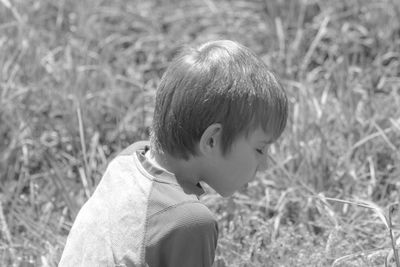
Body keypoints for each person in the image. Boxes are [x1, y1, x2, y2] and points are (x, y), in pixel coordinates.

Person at [59, 40, 288, 267]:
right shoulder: (190, 221)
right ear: (211, 140)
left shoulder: (127, 162)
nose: (265, 165)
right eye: (260, 149)